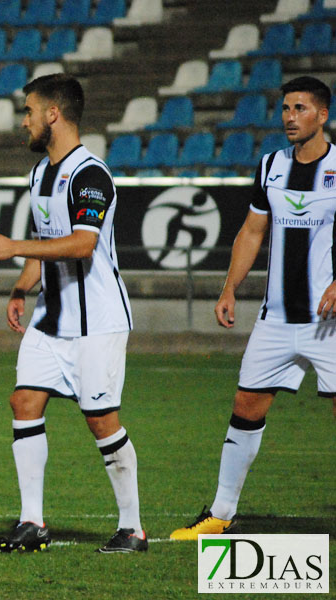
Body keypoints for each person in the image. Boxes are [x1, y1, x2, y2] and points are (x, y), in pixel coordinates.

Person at [0, 74, 145, 554]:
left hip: (96, 321)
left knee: (100, 419)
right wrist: (22, 284)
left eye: (28, 111)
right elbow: (46, 241)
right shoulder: (40, 172)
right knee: (24, 402)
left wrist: (11, 248)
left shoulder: (91, 174)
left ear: (53, 114)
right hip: (52, 318)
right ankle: (33, 522)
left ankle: (132, 528)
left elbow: (83, 245)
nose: (22, 121)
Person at [170, 76, 335, 540]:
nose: (289, 117)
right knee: (246, 404)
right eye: (285, 108)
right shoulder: (270, 167)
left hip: (329, 323)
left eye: (299, 108)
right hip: (276, 318)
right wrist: (229, 287)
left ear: (323, 115)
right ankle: (221, 513)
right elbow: (251, 232)